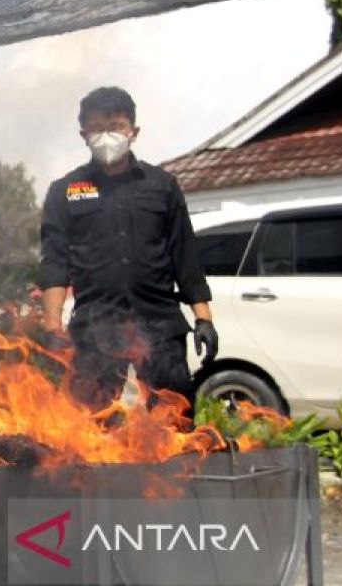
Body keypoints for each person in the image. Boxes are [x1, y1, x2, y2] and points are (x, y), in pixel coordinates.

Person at [38, 86, 218, 416]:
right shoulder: (66, 191)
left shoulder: (162, 186)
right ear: (83, 134)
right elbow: (55, 262)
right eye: (96, 128)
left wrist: (203, 319)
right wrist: (52, 325)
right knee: (87, 426)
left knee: (173, 422)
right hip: (96, 327)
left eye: (116, 126)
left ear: (133, 131)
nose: (106, 136)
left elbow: (185, 256)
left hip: (160, 325)